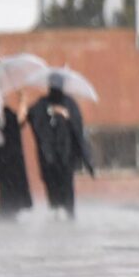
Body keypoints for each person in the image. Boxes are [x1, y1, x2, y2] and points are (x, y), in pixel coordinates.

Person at [26, 73, 94, 218]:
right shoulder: (42, 103)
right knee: (53, 192)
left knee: (67, 190)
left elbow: (78, 127)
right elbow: (32, 117)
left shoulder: (70, 103)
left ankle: (69, 217)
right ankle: (56, 218)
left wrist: (66, 116)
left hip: (66, 155)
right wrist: (50, 111)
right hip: (48, 156)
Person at [0, 93, 33, 221]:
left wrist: (23, 102)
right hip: (4, 155)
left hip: (10, 154)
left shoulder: (4, 112)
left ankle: (11, 210)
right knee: (7, 185)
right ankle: (7, 212)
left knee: (12, 184)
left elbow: (19, 122)